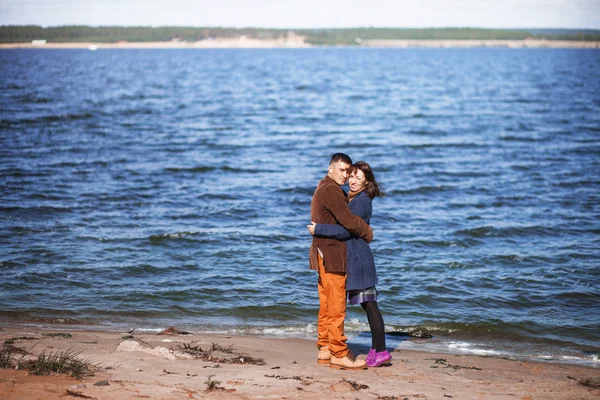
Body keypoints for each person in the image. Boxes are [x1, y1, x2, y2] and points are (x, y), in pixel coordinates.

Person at [308, 161, 390, 368]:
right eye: (351, 175)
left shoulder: (361, 201)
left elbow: (346, 231)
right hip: (355, 259)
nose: (352, 180)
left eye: (358, 178)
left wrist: (320, 229)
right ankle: (375, 349)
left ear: (367, 182)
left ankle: (380, 351)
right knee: (367, 305)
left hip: (360, 260)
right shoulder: (351, 198)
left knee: (370, 305)